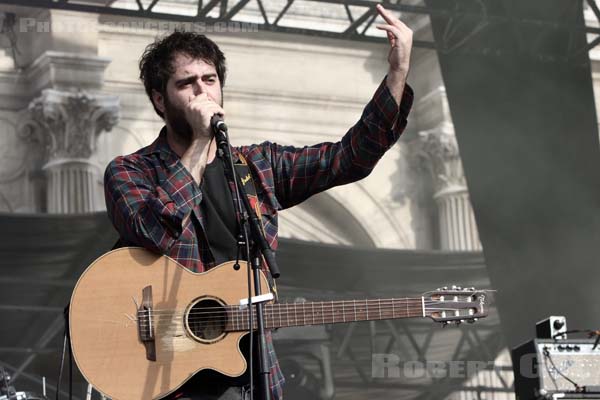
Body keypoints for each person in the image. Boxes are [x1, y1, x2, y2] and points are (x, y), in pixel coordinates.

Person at [104, 4, 413, 399]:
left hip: (253, 377)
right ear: (160, 100)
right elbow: (153, 230)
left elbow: (346, 159)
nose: (202, 91)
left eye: (210, 79)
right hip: (169, 378)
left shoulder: (257, 166)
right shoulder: (131, 171)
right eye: (187, 84)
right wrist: (200, 141)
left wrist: (398, 73)